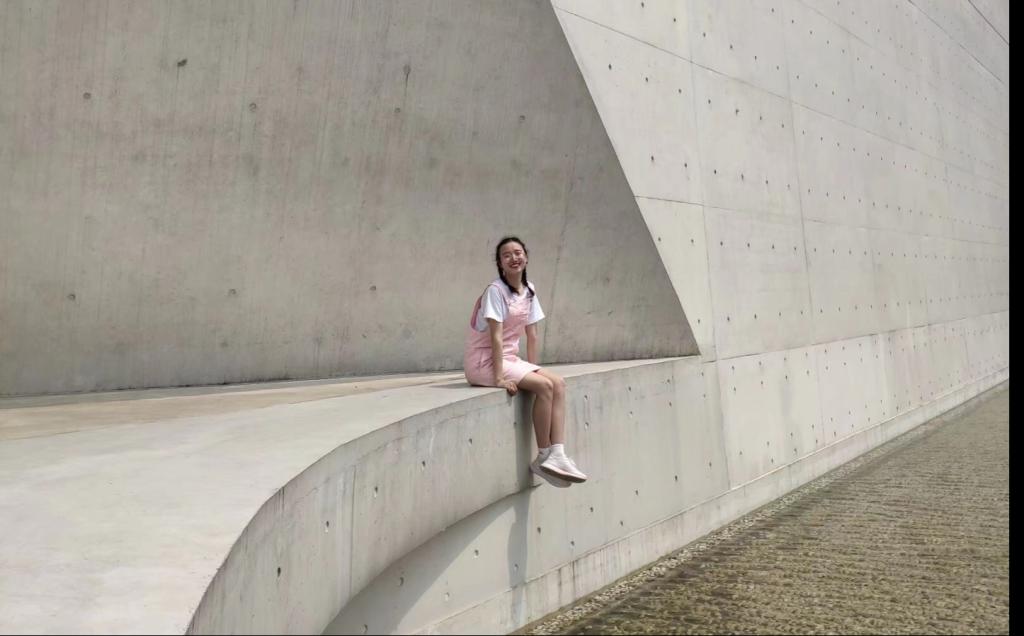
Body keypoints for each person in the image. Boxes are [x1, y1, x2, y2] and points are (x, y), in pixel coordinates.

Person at [464, 236, 588, 487]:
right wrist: (499, 379)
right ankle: (543, 456)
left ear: (526, 257)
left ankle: (558, 453)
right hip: (484, 361)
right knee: (545, 387)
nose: (514, 258)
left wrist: (533, 370)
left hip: (510, 358)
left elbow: (532, 336)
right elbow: (496, 337)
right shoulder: (495, 291)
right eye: (506, 255)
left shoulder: (529, 290)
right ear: (500, 263)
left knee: (558, 383)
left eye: (518, 253)